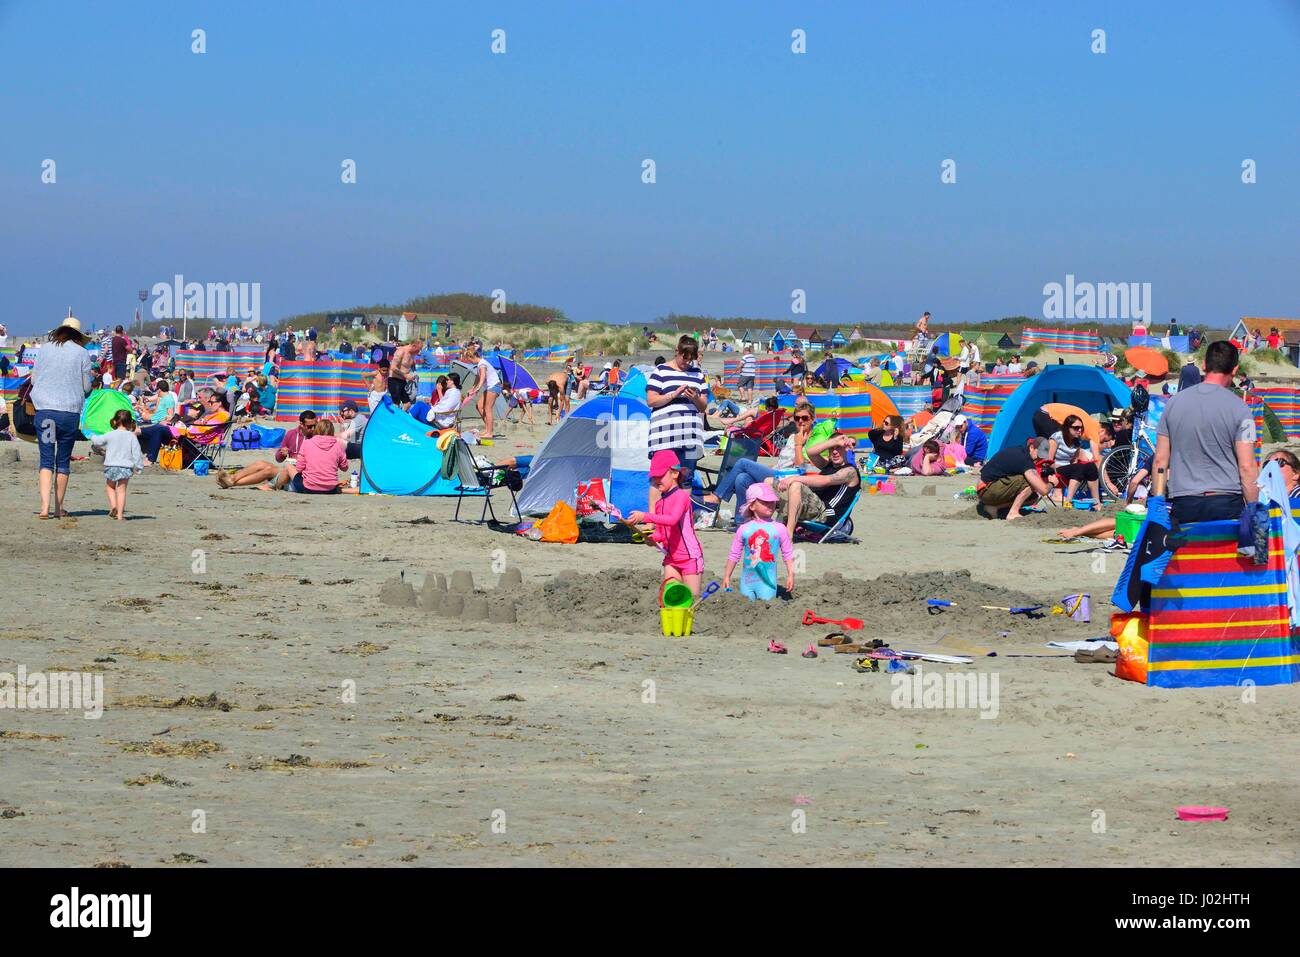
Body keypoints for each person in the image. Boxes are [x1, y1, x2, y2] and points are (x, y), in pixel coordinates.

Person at [1154, 340, 1258, 526]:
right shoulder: (1241, 409)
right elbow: (1247, 466)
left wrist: (1157, 504)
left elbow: (1160, 461)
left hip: (1184, 500)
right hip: (1226, 500)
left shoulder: (1173, 404)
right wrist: (1253, 508)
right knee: (1223, 555)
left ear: (1203, 365)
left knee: (1188, 555)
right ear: (1235, 369)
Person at [29, 315, 96, 519]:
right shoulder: (82, 353)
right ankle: (59, 508)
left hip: (46, 412)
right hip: (69, 414)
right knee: (63, 461)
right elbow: (86, 387)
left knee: (46, 459)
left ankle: (44, 508)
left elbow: (34, 378)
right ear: (78, 336)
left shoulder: (45, 349)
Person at [625, 450, 705, 599]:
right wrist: (652, 538)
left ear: (675, 474)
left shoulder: (681, 496)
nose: (656, 480)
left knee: (690, 600)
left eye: (660, 475)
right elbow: (662, 532)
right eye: (654, 477)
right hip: (671, 557)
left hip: (689, 557)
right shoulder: (660, 503)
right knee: (671, 598)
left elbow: (672, 519)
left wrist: (645, 516)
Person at [645, 335, 707, 507]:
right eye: (684, 359)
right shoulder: (661, 371)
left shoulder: (697, 374)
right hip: (664, 435)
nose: (687, 363)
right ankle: (654, 520)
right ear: (676, 352)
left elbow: (703, 407)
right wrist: (674, 394)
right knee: (660, 477)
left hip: (690, 435)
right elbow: (651, 400)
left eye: (690, 360)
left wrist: (695, 398)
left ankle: (681, 520)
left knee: (686, 478)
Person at [773, 432, 861, 539]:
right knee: (769, 482)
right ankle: (763, 527)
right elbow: (810, 452)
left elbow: (825, 480)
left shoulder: (850, 472)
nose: (834, 452)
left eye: (838, 448)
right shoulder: (828, 465)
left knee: (796, 485)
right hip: (813, 507)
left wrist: (794, 478)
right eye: (831, 448)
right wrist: (833, 441)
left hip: (826, 513)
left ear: (846, 449)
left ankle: (788, 534)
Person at [723, 484, 796, 601]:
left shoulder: (780, 528)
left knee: (766, 607)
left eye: (772, 501)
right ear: (752, 506)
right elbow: (734, 554)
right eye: (765, 502)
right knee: (744, 607)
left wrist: (791, 575)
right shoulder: (744, 529)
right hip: (747, 581)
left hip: (768, 583)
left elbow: (788, 554)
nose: (770, 504)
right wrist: (727, 576)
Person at [976, 436, 1059, 520]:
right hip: (987, 489)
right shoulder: (1025, 460)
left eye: (1042, 457)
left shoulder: (1020, 451)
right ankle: (1013, 512)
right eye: (1039, 455)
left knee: (1032, 497)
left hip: (985, 488)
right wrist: (1052, 483)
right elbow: (1043, 490)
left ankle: (995, 507)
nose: (1039, 458)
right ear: (1031, 447)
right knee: (1030, 483)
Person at [90, 408, 144, 520]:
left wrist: (91, 435)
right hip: (126, 467)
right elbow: (136, 452)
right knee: (122, 490)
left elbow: (98, 441)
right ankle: (120, 515)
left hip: (111, 465)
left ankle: (113, 506)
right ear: (130, 423)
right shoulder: (131, 436)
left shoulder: (110, 434)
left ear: (115, 421)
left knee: (110, 487)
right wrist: (139, 466)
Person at [270, 418, 348, 493]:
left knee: (288, 466)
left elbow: (299, 468)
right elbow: (345, 468)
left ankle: (275, 486)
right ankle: (274, 485)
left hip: (309, 487)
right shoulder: (338, 445)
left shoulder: (307, 443)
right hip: (331, 488)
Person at [1047, 414, 1101, 504]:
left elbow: (1074, 461)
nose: (1079, 430)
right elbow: (1048, 461)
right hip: (1054, 469)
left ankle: (1097, 502)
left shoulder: (1077, 441)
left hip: (1068, 469)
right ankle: (1068, 501)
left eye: (1081, 428)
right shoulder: (1056, 437)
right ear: (1067, 427)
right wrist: (1060, 466)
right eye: (1076, 428)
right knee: (1078, 468)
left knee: (1091, 466)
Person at [462, 342, 502, 437]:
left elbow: (482, 377)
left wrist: (477, 389)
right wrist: (472, 388)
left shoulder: (482, 364)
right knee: (479, 406)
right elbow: (478, 377)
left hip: (494, 386)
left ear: (473, 357)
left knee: (487, 408)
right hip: (490, 387)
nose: (470, 362)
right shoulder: (480, 364)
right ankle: (488, 428)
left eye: (469, 360)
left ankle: (489, 432)